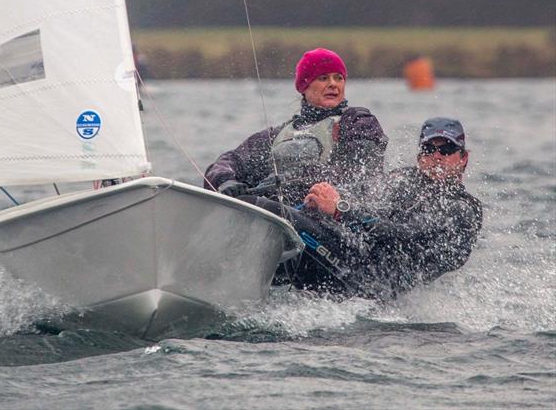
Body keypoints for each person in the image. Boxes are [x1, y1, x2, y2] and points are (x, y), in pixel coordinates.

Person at [273, 117, 483, 300]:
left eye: (446, 150)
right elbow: (364, 202)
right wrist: (324, 200)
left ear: (463, 158)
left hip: (374, 283)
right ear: (420, 157)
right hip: (356, 255)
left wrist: (340, 210)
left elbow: (405, 234)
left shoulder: (461, 208)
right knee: (288, 212)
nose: (437, 157)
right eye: (429, 149)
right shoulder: (403, 180)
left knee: (284, 219)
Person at [204, 47, 387, 208]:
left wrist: (295, 179)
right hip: (279, 212)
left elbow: (359, 171)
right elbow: (228, 161)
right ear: (304, 87)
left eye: (338, 78)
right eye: (323, 78)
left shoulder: (358, 122)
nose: (333, 84)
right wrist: (225, 181)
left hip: (329, 217)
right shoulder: (276, 135)